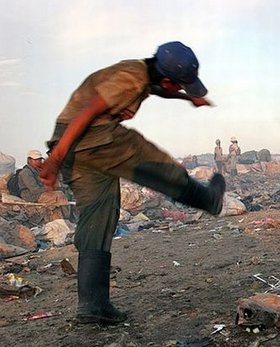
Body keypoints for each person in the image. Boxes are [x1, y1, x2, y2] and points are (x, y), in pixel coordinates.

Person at [39, 41, 226, 325]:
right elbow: (89, 111)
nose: (180, 89)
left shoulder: (144, 74)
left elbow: (158, 88)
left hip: (76, 150)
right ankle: (207, 199)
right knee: (157, 164)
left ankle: (93, 306)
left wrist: (187, 98)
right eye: (181, 85)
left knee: (98, 216)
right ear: (166, 77)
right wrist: (53, 159)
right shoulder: (132, 77)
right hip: (93, 137)